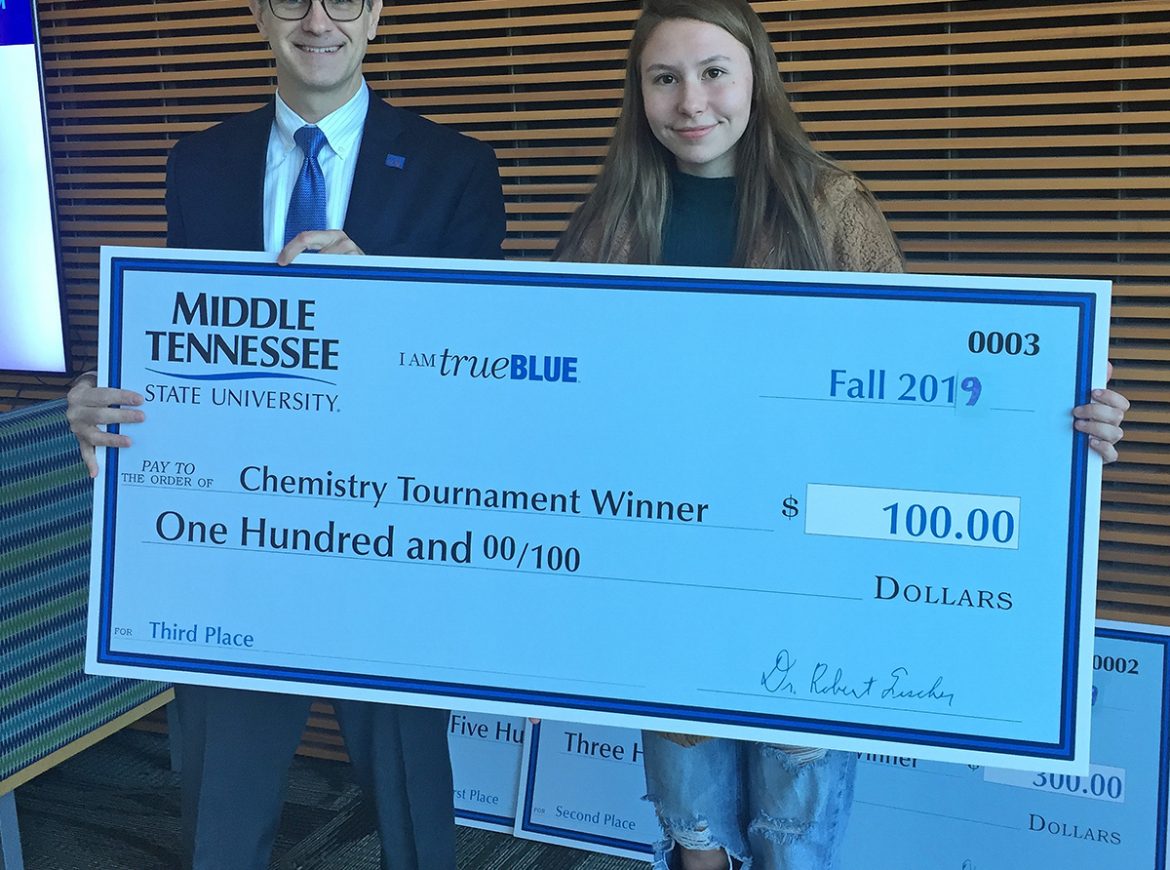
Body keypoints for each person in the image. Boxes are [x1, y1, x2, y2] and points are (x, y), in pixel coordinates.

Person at [555, 1, 1130, 868]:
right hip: (669, 570)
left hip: (812, 573)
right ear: (639, 93)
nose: (691, 101)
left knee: (794, 833)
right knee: (692, 823)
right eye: (664, 78)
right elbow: (555, 399)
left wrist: (1051, 416)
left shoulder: (831, 206)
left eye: (714, 72)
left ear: (756, 77)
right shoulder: (608, 222)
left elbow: (918, 384)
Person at [65, 0, 504, 867]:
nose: (318, 18)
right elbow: (176, 337)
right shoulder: (199, 163)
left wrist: (377, 303)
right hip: (233, 542)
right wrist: (97, 393)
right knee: (220, 823)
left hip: (388, 534)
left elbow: (478, 365)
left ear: (374, 16)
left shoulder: (455, 167)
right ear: (260, 15)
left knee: (415, 815)